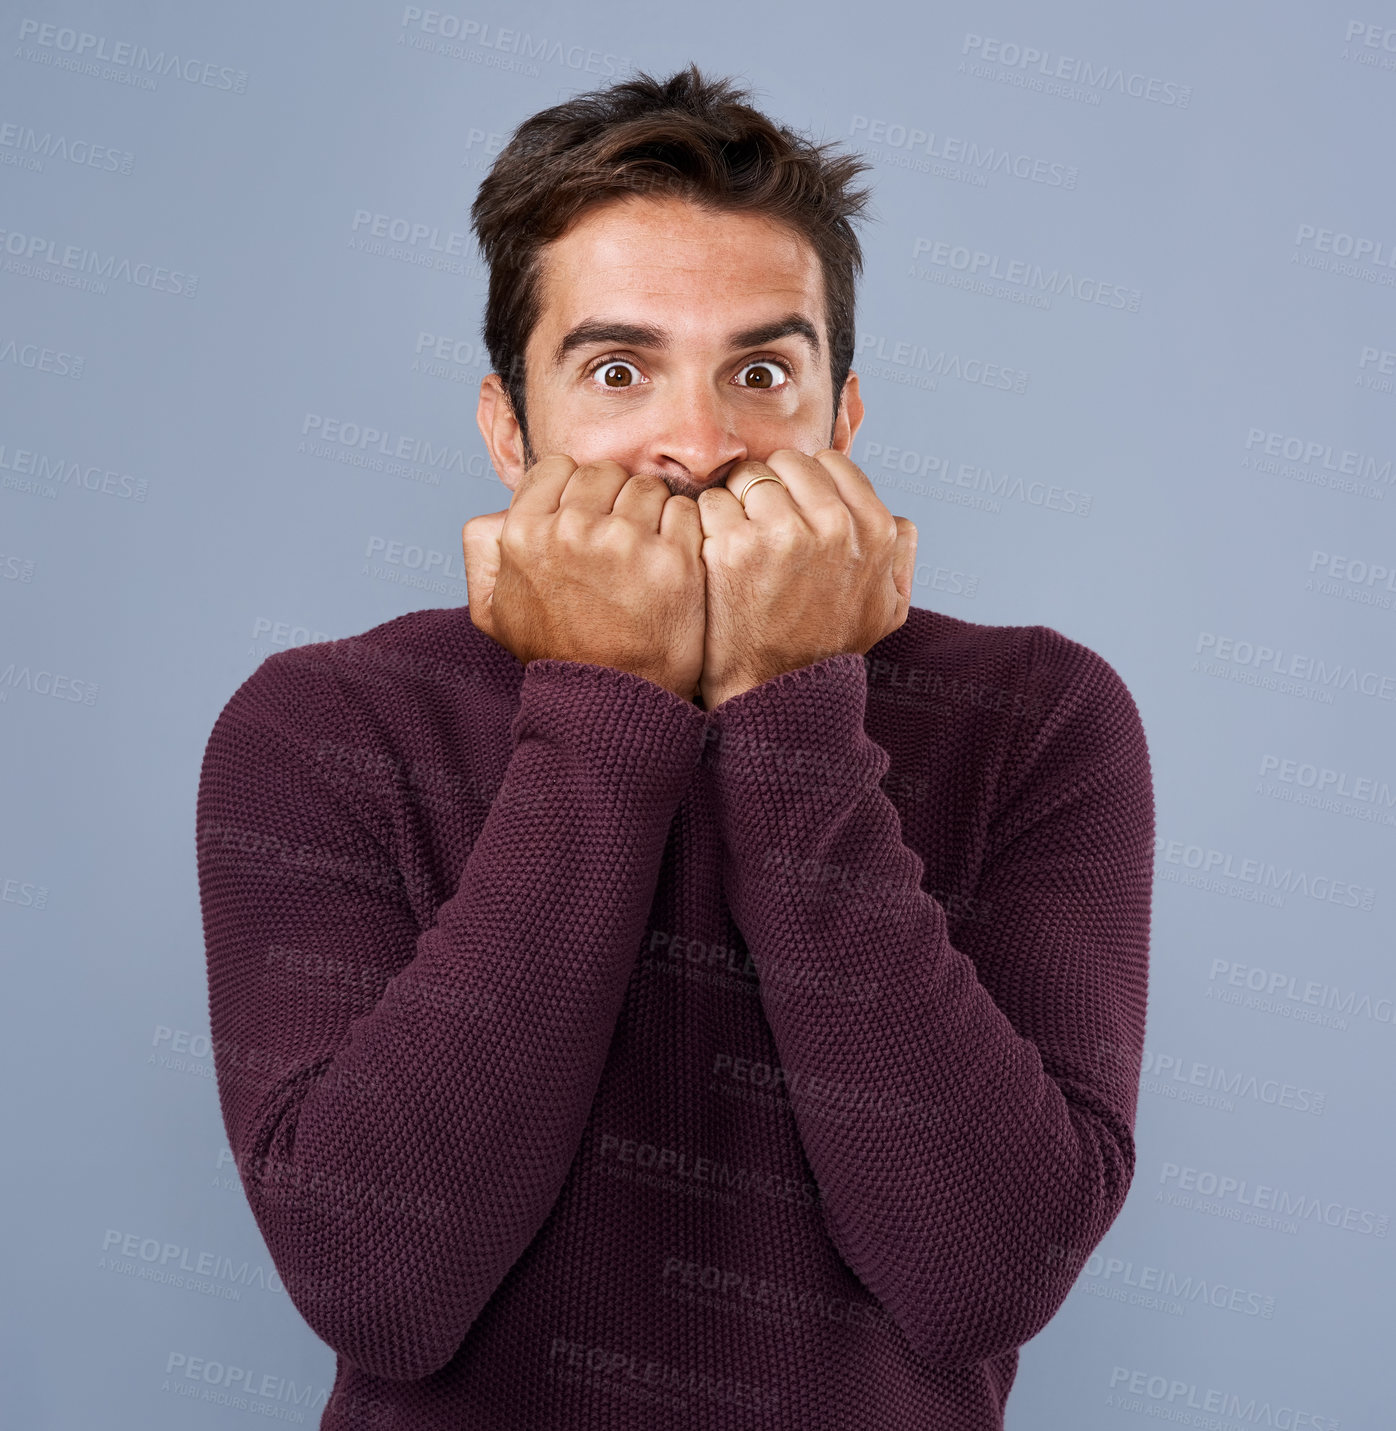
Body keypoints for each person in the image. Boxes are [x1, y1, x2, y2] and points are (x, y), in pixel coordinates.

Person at [195, 63, 1154, 1430]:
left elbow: (984, 1276)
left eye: (762, 370)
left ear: (846, 418)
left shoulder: (1044, 717)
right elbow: (380, 1283)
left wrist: (791, 700)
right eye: (618, 369)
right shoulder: (321, 727)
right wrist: (604, 703)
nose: (697, 445)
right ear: (507, 430)